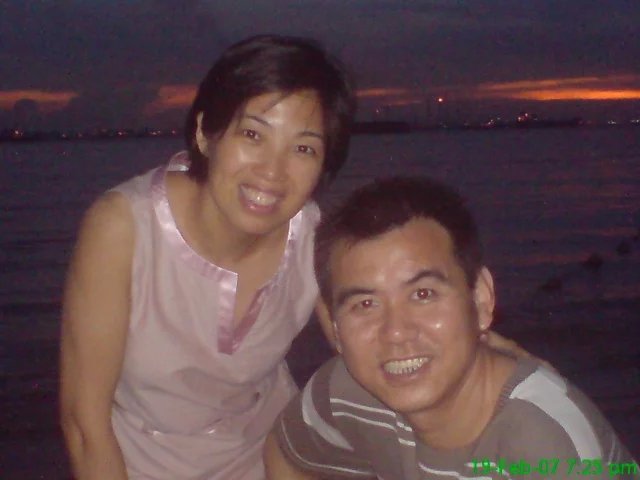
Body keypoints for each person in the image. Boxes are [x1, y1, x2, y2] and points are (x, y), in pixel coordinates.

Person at [59, 34, 356, 479]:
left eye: (303, 148)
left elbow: (371, 348)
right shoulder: (124, 228)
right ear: (204, 133)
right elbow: (85, 424)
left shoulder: (313, 237)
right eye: (253, 134)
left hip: (271, 455)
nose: (272, 171)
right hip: (140, 464)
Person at [265, 177, 639, 480]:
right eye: (365, 304)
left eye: (423, 294)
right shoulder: (348, 392)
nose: (396, 333)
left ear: (481, 299)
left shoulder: (545, 449)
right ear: (335, 327)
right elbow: (287, 453)